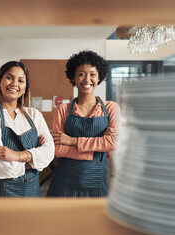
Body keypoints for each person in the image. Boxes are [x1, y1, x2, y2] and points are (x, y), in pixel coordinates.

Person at [47, 50, 121, 197]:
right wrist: (97, 150)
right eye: (81, 74)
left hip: (98, 182)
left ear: (99, 77)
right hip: (64, 182)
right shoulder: (62, 110)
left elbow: (113, 143)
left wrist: (72, 141)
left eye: (92, 74)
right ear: (73, 78)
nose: (87, 79)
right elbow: (57, 149)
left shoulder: (111, 108)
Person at [0, 61, 54, 197]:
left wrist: (17, 155)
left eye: (20, 80)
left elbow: (49, 153)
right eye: (9, 78)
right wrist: (35, 161)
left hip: (31, 193)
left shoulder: (34, 115)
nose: (14, 84)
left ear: (25, 88)